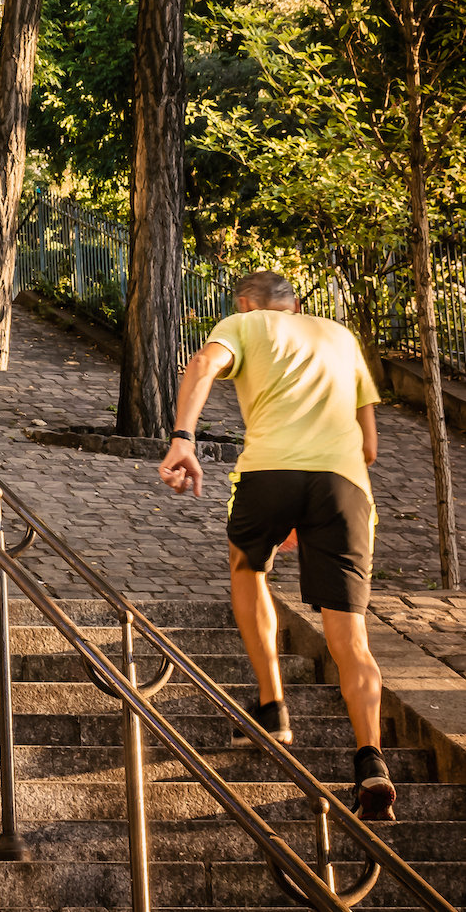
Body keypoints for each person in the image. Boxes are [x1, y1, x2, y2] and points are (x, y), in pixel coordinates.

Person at [159, 270, 396, 821]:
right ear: (294, 303)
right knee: (351, 636)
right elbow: (370, 446)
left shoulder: (242, 324)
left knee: (248, 569)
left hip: (268, 474)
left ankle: (272, 707)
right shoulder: (341, 337)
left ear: (248, 302)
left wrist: (183, 439)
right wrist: (313, 511)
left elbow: (201, 365)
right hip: (342, 485)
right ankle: (370, 760)